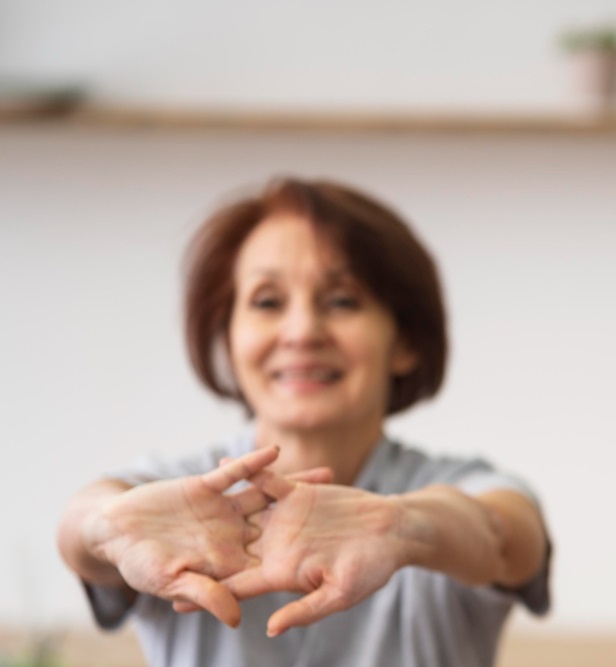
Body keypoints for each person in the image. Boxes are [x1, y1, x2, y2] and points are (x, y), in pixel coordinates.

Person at [56, 178, 551, 667]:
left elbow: (505, 535)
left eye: (342, 301)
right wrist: (106, 529)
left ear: (405, 342)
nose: (302, 332)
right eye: (268, 302)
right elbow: (86, 522)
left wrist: (406, 528)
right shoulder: (176, 496)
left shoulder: (454, 486)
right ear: (228, 338)